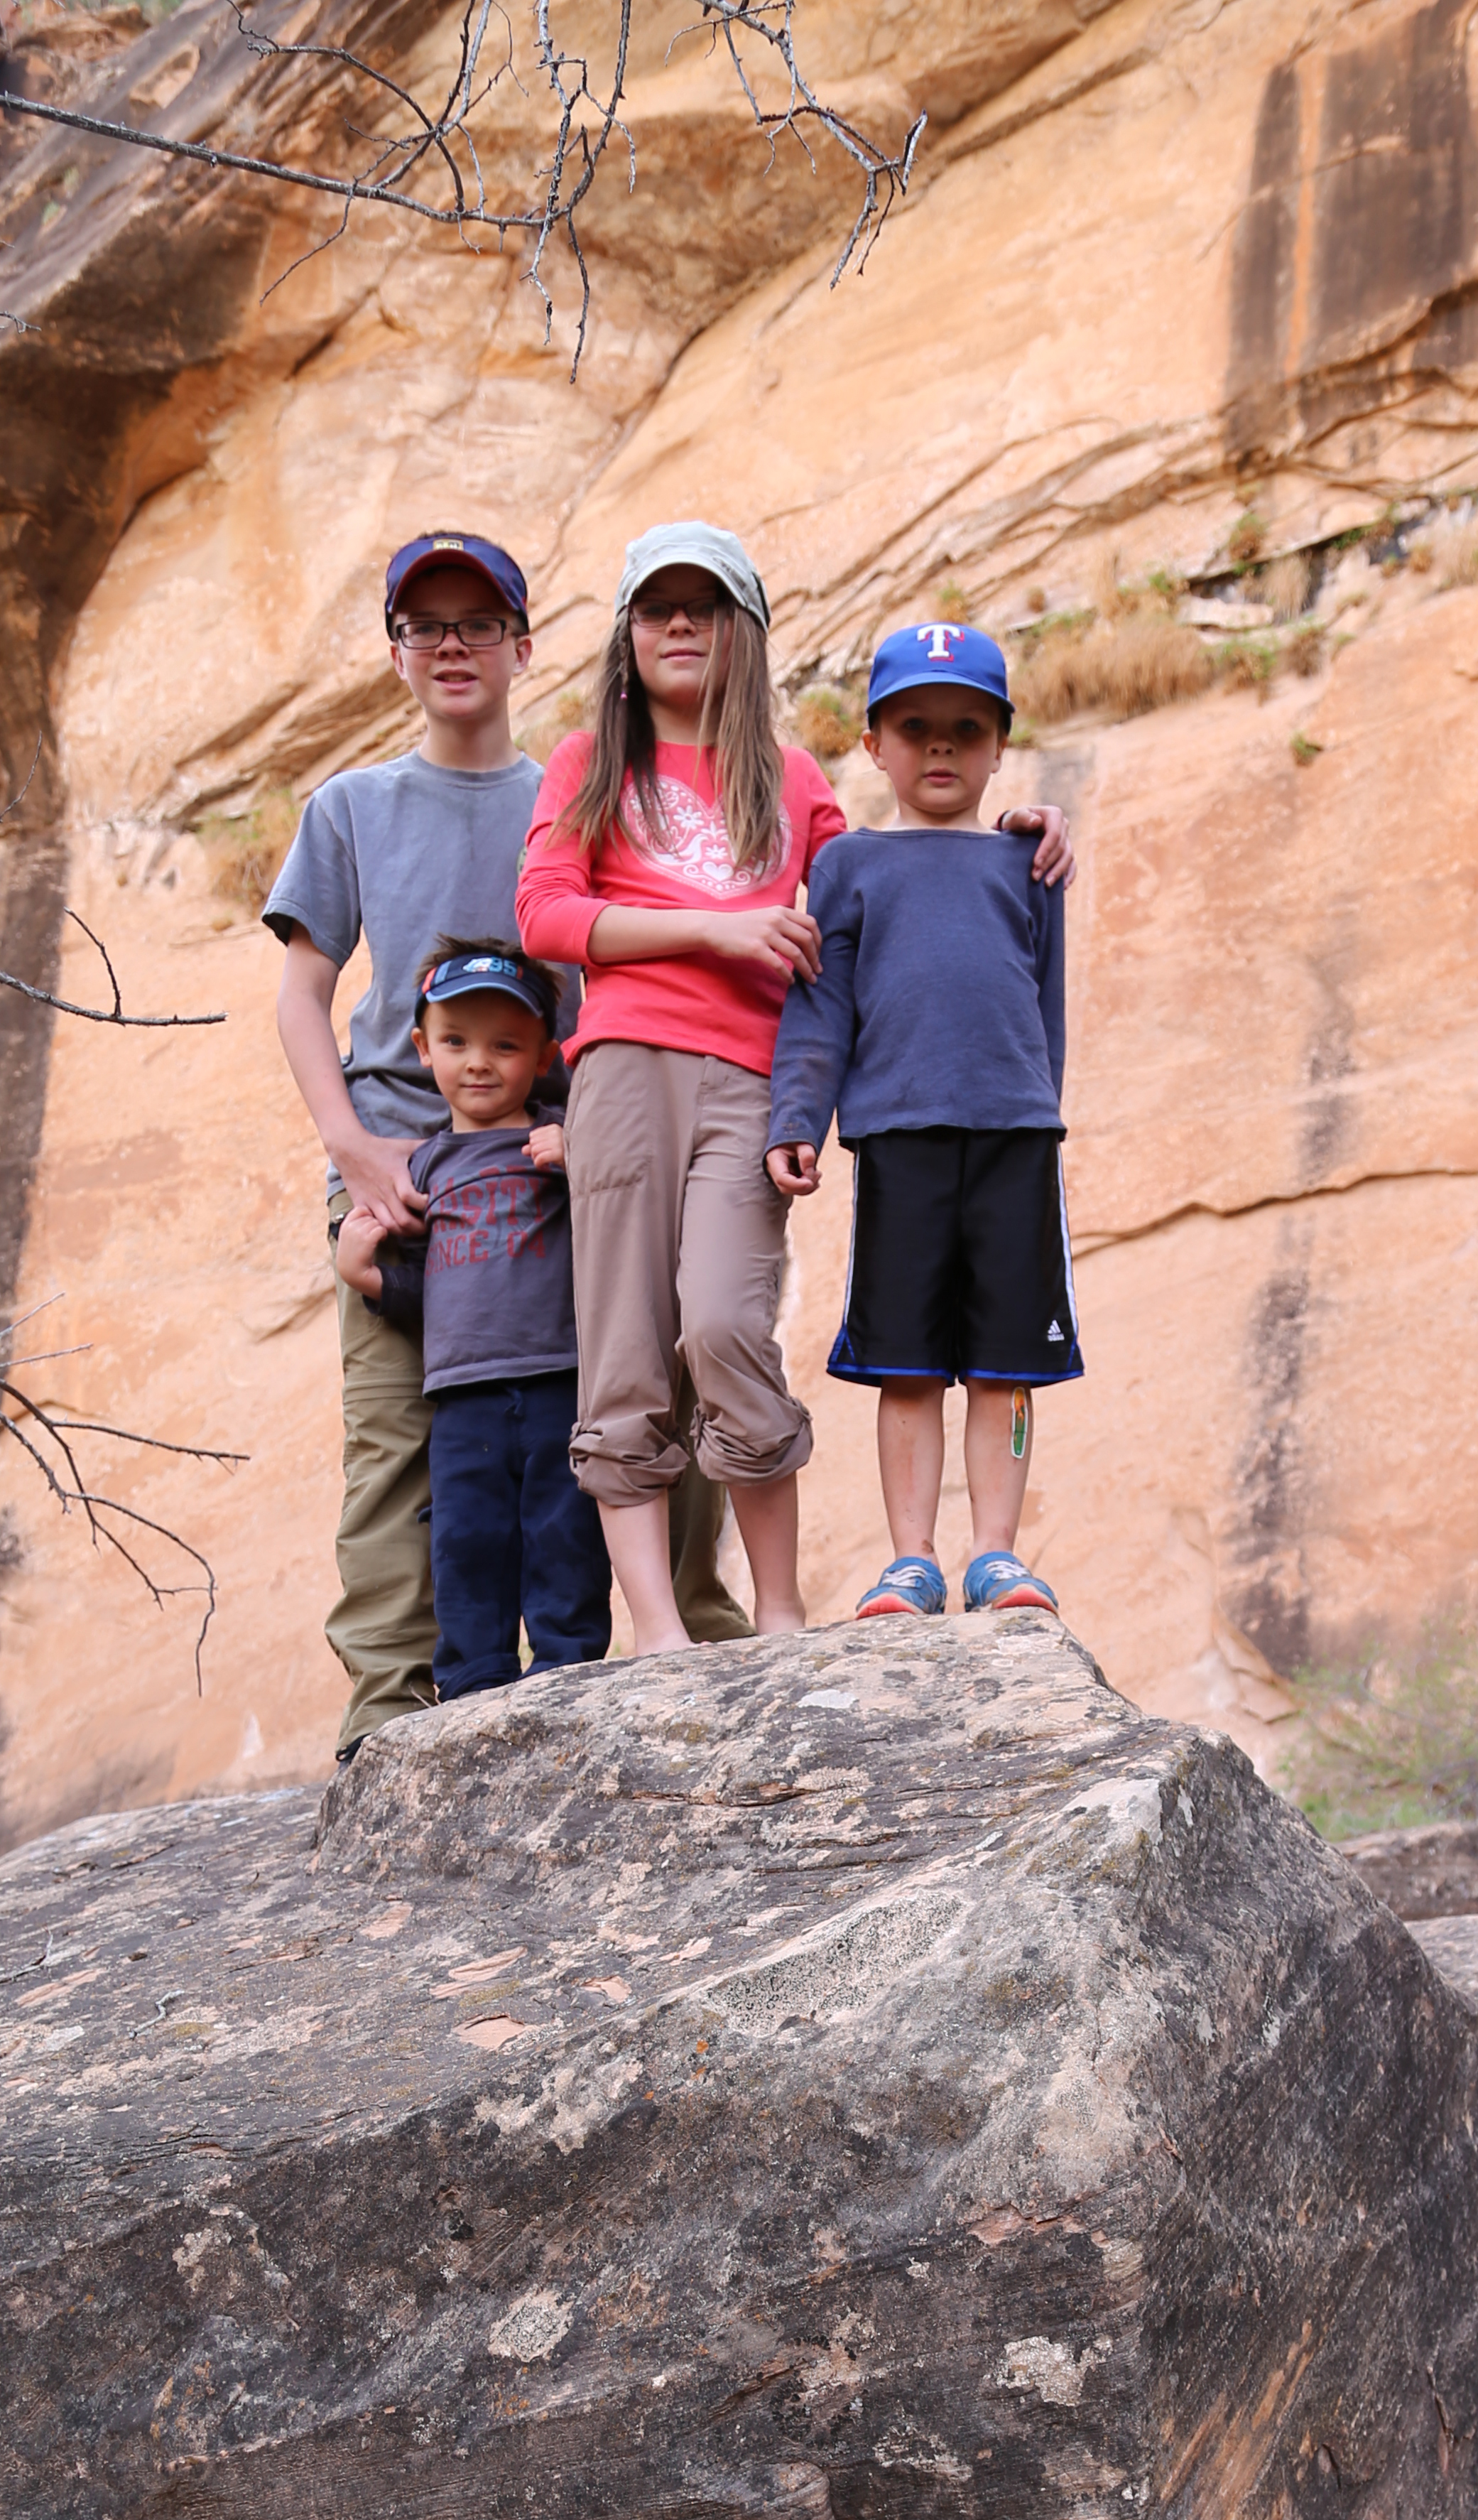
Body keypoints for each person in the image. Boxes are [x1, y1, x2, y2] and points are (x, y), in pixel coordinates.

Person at [516, 523, 1077, 1657]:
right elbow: (545, 918)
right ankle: (662, 1633)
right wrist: (717, 930)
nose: (681, 625)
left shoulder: (795, 779)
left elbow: (882, 885)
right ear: (626, 636)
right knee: (626, 1343)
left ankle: (778, 1616)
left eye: (708, 607)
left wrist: (1028, 829)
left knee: (727, 1323)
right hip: (621, 1066)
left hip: (746, 1075)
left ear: (748, 636)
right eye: (656, 607)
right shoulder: (590, 764)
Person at [265, 532, 740, 1764]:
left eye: (477, 624)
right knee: (399, 1441)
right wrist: (354, 1150)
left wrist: (590, 1128)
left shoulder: (585, 793)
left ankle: (691, 1627)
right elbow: (299, 994)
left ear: (525, 647)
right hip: (407, 1172)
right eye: (424, 627)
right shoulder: (352, 807)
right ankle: (389, 1712)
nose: (451, 647)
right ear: (396, 654)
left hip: (567, 1157)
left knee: (647, 1385)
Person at [766, 621, 1077, 1619]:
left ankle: (995, 1553)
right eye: (915, 728)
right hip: (900, 1136)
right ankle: (911, 1558)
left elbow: (1047, 1003)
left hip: (1013, 1140)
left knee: (1006, 1361)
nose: (940, 748)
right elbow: (823, 1003)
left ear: (999, 744)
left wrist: (1043, 1109)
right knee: (907, 1360)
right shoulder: (851, 864)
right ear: (874, 745)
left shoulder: (1025, 862)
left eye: (965, 729)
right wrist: (798, 1115)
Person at [332, 945, 608, 1698]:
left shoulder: (551, 1140)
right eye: (456, 1042)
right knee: (466, 1537)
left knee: (564, 1530)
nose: (478, 1063)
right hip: (462, 1395)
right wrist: (368, 1278)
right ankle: (474, 1682)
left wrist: (581, 1152)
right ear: (423, 1048)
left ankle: (568, 1665)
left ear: (546, 1054)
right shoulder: (421, 1168)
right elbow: (432, 1290)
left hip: (559, 1376)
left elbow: (619, 1217)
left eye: (506, 1045)